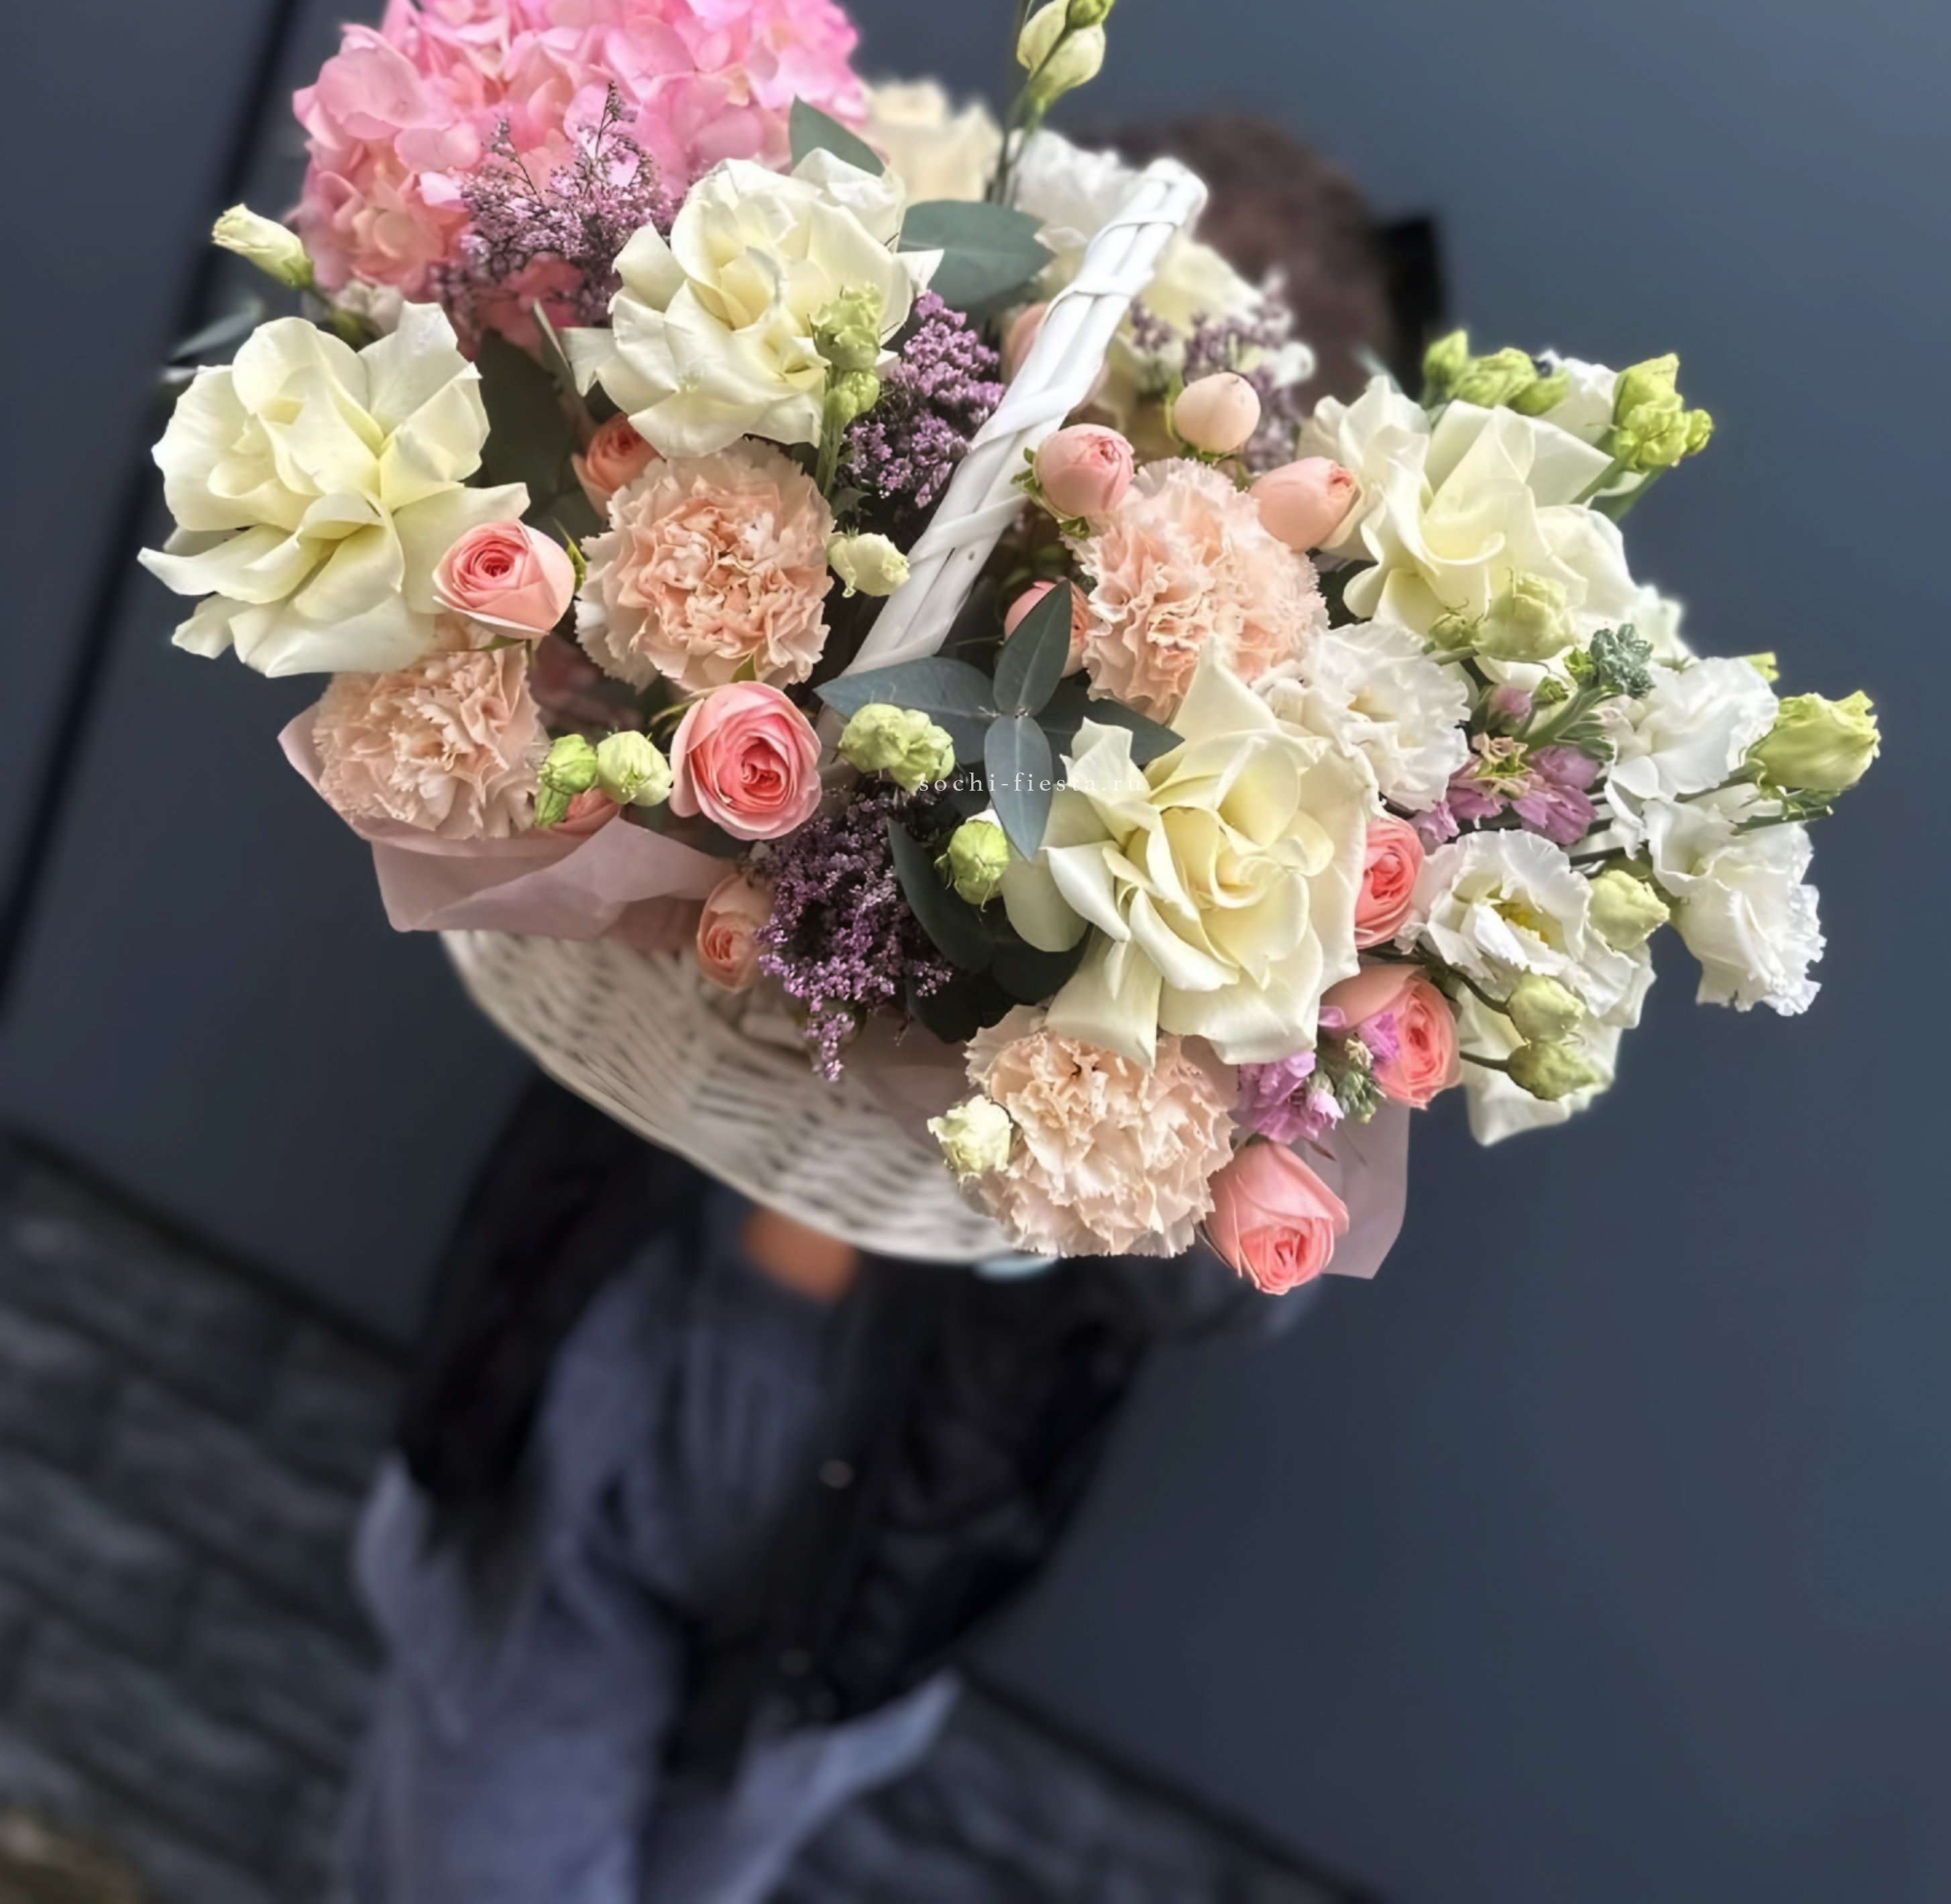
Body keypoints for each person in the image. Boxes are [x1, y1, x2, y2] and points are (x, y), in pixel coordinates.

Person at [337, 123, 1437, 1902]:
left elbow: (1233, 1282)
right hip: (596, 1376)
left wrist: (1112, 1089)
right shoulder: (901, 547)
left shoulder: (1303, 810)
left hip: (877, 1532)